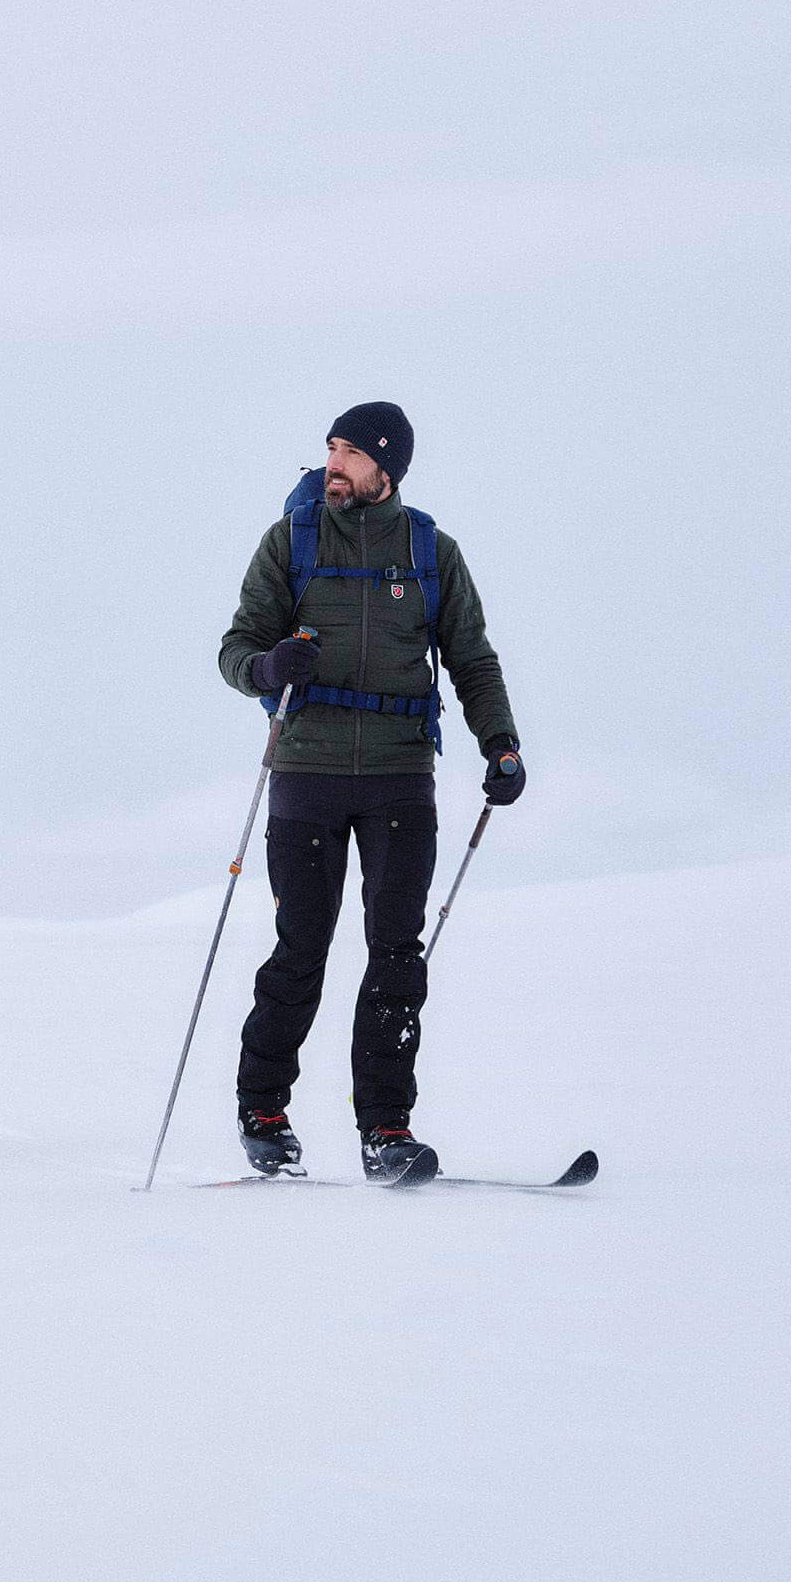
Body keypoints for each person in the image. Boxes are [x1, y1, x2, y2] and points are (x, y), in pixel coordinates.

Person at [218, 402, 524, 1182]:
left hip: (399, 778)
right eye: (329, 448)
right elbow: (236, 646)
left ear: (386, 467)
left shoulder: (430, 551)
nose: (333, 464)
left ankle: (386, 1128)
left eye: (348, 451)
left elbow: (472, 659)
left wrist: (502, 743)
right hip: (306, 775)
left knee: (396, 955)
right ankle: (264, 1110)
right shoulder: (292, 542)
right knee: (302, 949)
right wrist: (266, 667)